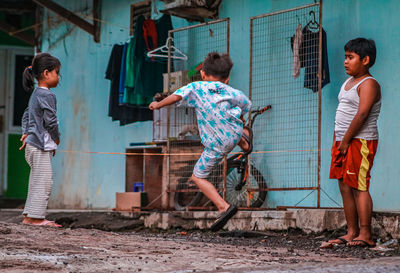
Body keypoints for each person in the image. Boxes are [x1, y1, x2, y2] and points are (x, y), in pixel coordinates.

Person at [149, 52, 252, 231]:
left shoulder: (196, 87)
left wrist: (158, 105)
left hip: (216, 144)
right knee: (234, 117)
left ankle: (223, 206)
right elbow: (245, 104)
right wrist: (240, 119)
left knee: (198, 177)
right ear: (227, 78)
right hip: (234, 132)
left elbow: (176, 96)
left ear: (203, 73)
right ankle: (244, 140)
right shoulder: (231, 91)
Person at [325, 38, 381, 248]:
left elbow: (362, 114)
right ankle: (352, 232)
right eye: (345, 57)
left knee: (359, 185)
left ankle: (366, 234)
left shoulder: (369, 84)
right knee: (344, 185)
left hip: (359, 141)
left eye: (351, 57)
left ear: (365, 60)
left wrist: (347, 140)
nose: (346, 61)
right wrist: (340, 140)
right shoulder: (348, 83)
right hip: (342, 140)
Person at [19, 53, 62, 228]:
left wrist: (26, 132)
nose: (58, 77)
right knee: (44, 181)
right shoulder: (47, 95)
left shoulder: (36, 94)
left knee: (36, 180)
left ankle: (30, 216)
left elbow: (26, 115)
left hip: (33, 144)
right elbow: (50, 122)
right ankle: (37, 218)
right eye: (57, 73)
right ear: (46, 73)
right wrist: (57, 138)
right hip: (40, 146)